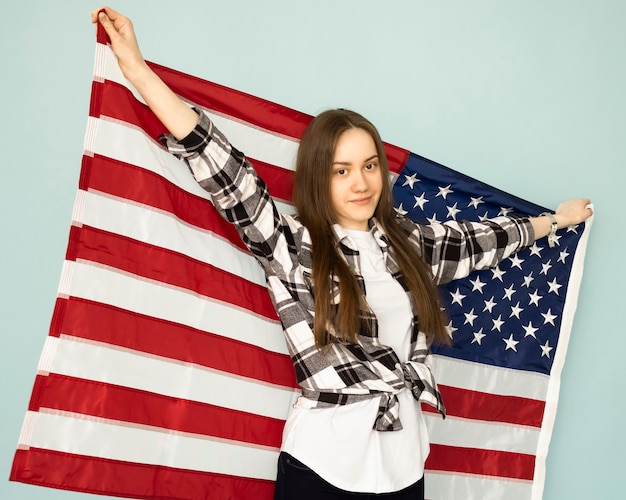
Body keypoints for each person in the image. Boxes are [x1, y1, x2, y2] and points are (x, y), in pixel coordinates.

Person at [92, 7, 593, 499]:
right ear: (319, 175)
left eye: (370, 166)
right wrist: (136, 68)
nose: (361, 182)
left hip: (403, 469)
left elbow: (483, 241)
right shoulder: (293, 246)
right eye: (342, 170)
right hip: (322, 468)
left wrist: (554, 221)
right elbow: (226, 170)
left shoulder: (411, 244)